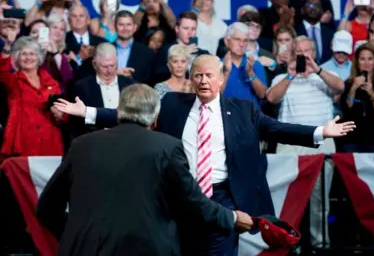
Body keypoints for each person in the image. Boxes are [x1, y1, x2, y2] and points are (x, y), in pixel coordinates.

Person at [53, 54, 355, 256]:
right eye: (197, 76)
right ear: (191, 78)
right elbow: (133, 114)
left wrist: (320, 132)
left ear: (221, 78)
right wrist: (88, 112)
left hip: (222, 198)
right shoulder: (172, 104)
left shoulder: (243, 110)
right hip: (177, 195)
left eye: (209, 75)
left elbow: (276, 128)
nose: (203, 81)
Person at [37, 84, 253, 256]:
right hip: (146, 248)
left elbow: (46, 208)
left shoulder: (81, 145)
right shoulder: (167, 147)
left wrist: (77, 232)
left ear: (120, 111)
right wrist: (231, 218)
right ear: (156, 117)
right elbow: (193, 202)